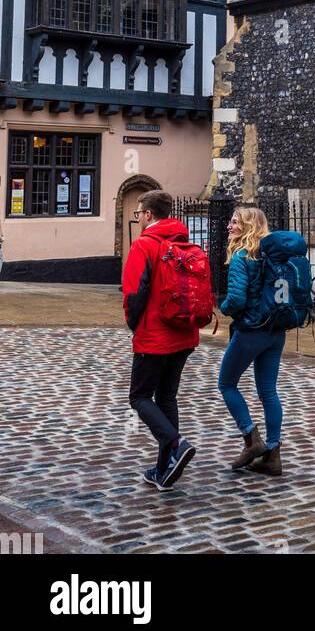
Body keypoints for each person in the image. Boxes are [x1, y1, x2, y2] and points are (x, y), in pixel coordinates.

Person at [122, 190, 198, 491]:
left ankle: (176, 444)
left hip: (155, 336)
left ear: (149, 215)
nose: (138, 218)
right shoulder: (184, 241)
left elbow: (134, 293)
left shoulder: (144, 245)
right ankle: (165, 467)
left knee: (139, 397)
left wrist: (133, 323)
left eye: (139, 213)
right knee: (166, 397)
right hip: (184, 334)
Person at [217, 207, 288, 477]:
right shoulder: (272, 256)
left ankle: (251, 438)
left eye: (234, 222)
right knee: (268, 392)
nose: (229, 226)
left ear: (246, 226)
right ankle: (272, 453)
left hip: (251, 331)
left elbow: (237, 299)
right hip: (276, 330)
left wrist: (222, 308)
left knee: (226, 384)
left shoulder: (241, 257)